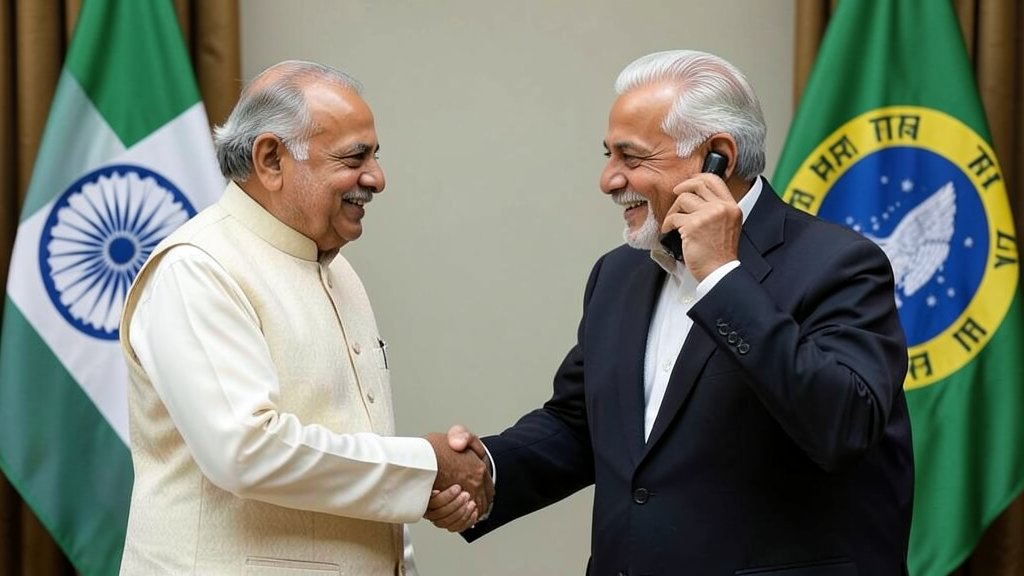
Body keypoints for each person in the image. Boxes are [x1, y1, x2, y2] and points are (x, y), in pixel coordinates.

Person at [429, 50, 914, 574]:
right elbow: (579, 426)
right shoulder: (618, 275)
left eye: (631, 158)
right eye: (609, 155)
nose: (609, 180)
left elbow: (842, 426)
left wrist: (723, 277)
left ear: (718, 158)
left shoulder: (841, 264)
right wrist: (484, 469)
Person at [118, 60, 490, 575]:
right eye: (354, 157)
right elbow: (246, 450)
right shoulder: (197, 269)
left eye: (375, 156)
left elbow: (349, 455)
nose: (376, 178)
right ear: (271, 159)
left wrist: (422, 491)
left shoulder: (338, 271)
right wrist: (422, 469)